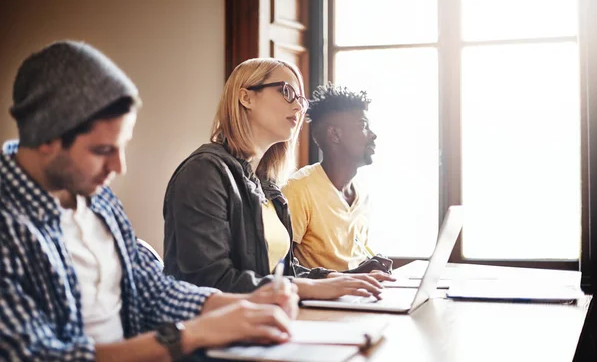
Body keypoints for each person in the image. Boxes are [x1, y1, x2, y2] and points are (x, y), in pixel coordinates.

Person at [0, 41, 299, 362]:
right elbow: (35, 356)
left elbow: (149, 288)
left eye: (122, 146)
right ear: (47, 140)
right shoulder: (10, 225)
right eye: (102, 150)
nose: (118, 167)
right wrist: (191, 335)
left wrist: (245, 305)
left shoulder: (95, 199)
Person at [163, 58, 394, 299]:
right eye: (287, 92)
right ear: (246, 97)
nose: (298, 108)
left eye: (301, 101)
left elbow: (281, 274)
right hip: (221, 330)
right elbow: (209, 282)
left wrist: (337, 278)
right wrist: (313, 288)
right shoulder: (204, 172)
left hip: (264, 320)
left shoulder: (265, 183)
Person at [282, 83, 392, 273]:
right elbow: (282, 269)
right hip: (318, 301)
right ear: (334, 134)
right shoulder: (298, 189)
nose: (373, 135)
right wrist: (352, 276)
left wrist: (372, 265)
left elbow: (354, 259)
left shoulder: (362, 194)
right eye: (363, 126)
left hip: (357, 298)